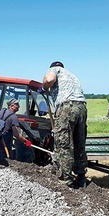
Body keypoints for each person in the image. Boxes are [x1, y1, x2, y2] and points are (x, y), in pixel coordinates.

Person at [40, 61, 88, 189]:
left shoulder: (55, 70)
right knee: (79, 143)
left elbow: (49, 79)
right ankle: (81, 177)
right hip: (82, 108)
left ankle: (66, 181)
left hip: (67, 108)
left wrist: (44, 87)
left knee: (64, 144)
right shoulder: (72, 76)